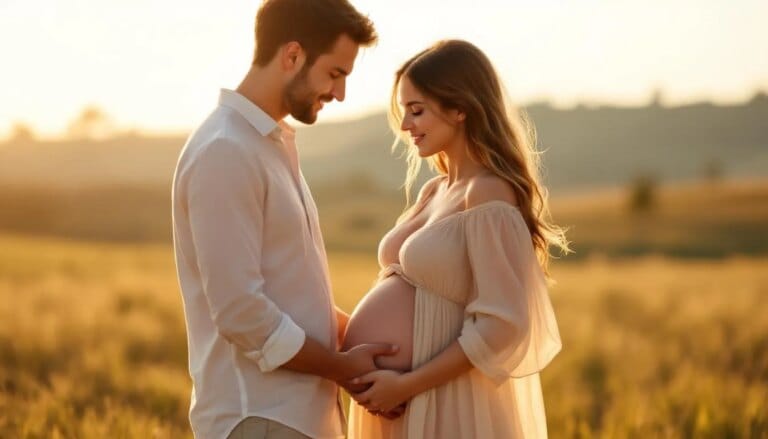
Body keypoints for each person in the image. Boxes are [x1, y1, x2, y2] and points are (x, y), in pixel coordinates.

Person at [171, 1, 397, 438]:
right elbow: (240, 310)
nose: (340, 93)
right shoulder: (225, 150)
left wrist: (374, 346)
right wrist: (339, 369)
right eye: (335, 73)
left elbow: (290, 291)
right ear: (292, 55)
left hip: (296, 419)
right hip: (259, 418)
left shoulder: (266, 146)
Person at [342, 40, 570, 438]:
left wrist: (406, 384)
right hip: (396, 402)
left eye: (417, 110)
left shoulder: (488, 193)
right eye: (404, 112)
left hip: (445, 403)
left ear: (460, 108)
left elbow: (502, 325)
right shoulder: (435, 190)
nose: (405, 125)